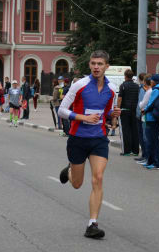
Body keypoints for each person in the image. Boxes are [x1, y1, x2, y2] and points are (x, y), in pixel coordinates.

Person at [57, 50, 120, 239]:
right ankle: (69, 171)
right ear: (89, 65)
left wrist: (113, 115)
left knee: (98, 178)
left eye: (100, 64)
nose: (96, 67)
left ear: (106, 66)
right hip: (78, 138)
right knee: (77, 184)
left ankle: (92, 224)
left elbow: (107, 114)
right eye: (93, 63)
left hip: (99, 138)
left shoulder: (112, 89)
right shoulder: (79, 85)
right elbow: (61, 110)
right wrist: (83, 117)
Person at [143, 74, 159, 170]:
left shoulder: (156, 90)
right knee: (154, 140)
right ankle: (152, 161)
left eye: (152, 80)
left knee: (152, 141)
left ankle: (156, 163)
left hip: (152, 118)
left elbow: (150, 104)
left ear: (155, 81)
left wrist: (144, 110)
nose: (150, 82)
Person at [117, 69, 140, 156]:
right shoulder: (137, 86)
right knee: (135, 130)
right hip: (134, 110)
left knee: (126, 130)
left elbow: (120, 98)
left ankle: (127, 150)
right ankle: (135, 151)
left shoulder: (123, 85)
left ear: (125, 76)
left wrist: (118, 108)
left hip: (125, 110)